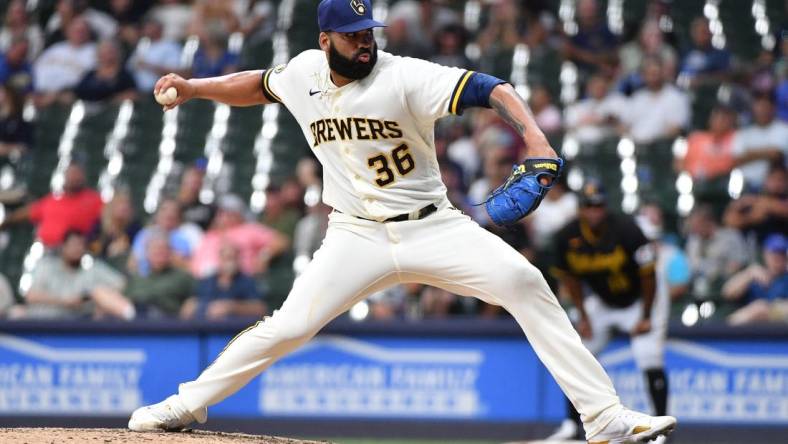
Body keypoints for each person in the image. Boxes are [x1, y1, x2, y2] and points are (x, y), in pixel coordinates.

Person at [129, 2, 677, 443]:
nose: (365, 41)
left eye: (368, 31)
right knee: (289, 326)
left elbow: (493, 88)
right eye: (352, 35)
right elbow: (260, 84)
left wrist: (534, 137)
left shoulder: (404, 76)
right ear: (325, 42)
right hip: (354, 235)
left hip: (431, 226)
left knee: (524, 282)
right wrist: (198, 87)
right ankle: (183, 405)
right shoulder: (303, 73)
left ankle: (603, 416)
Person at [547, 181, 670, 443]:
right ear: (580, 209)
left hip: (643, 298)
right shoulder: (566, 236)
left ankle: (660, 431)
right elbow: (570, 280)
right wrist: (584, 316)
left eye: (599, 206)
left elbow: (649, 276)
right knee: (577, 355)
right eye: (589, 207)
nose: (595, 212)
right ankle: (571, 425)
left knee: (648, 356)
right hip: (604, 302)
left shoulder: (626, 229)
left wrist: (646, 316)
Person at [10, 230, 125, 319]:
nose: (77, 249)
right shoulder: (46, 266)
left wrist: (95, 301)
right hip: (42, 323)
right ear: (63, 247)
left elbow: (121, 284)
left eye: (81, 245)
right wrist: (65, 301)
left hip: (77, 326)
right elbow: (31, 296)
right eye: (73, 245)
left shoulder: (92, 268)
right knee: (16, 313)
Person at [0, 162, 102, 248]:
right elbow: (26, 213)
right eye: (70, 173)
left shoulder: (93, 199)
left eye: (77, 173)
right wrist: (5, 223)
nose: (74, 177)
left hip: (75, 255)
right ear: (65, 176)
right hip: (45, 251)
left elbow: (110, 219)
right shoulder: (52, 199)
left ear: (83, 176)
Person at [181, 242, 267, 320]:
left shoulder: (247, 281)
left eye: (233, 258)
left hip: (234, 332)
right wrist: (191, 305)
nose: (230, 262)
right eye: (227, 258)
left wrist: (232, 307)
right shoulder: (207, 281)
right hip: (206, 329)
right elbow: (191, 304)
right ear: (220, 259)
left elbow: (260, 308)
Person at [621, 56, 690, 145]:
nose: (652, 77)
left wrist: (653, 143)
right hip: (635, 147)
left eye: (655, 73)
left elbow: (676, 129)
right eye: (648, 74)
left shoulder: (676, 97)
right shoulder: (637, 97)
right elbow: (624, 125)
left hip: (660, 148)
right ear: (643, 75)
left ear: (663, 73)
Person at [724, 234, 788, 325]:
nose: (778, 257)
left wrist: (770, 309)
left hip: (780, 329)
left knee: (760, 308)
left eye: (781, 254)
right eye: (774, 253)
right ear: (765, 254)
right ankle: (723, 333)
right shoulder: (755, 274)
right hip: (750, 330)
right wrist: (749, 273)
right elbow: (728, 293)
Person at [732, 93, 788, 191]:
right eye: (759, 107)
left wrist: (749, 154)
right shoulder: (744, 132)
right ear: (753, 109)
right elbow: (736, 159)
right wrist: (766, 153)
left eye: (765, 107)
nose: (762, 111)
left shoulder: (784, 129)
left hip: (774, 187)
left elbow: (776, 154)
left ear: (773, 108)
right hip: (744, 185)